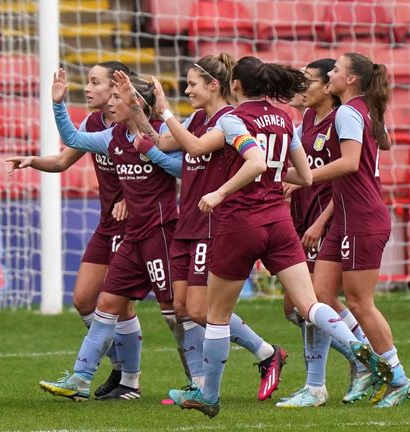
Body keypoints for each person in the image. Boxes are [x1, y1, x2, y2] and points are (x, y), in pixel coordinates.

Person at [164, 56, 388, 418]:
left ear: (234, 86)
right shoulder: (285, 119)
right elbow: (305, 175)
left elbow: (199, 149)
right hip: (280, 222)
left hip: (240, 223)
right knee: (310, 304)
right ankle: (360, 350)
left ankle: (209, 395)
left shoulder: (234, 120)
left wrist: (164, 112)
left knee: (216, 316)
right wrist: (276, 181)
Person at [140, 55, 287, 402]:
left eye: (192, 83)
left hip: (211, 223)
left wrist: (163, 110)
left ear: (213, 86)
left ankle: (264, 354)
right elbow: (164, 143)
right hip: (187, 220)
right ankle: (200, 383)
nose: (187, 89)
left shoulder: (226, 122)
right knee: (182, 309)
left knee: (200, 310)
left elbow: (190, 145)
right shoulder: (195, 119)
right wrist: (137, 113)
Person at [38, 69, 182, 401]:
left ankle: (206, 381)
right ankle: (86, 377)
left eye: (115, 94)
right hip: (126, 233)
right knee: (102, 303)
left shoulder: (163, 132)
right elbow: (71, 144)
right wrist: (58, 105)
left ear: (134, 100)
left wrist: (152, 151)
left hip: (160, 231)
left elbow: (182, 170)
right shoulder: (109, 134)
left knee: (182, 312)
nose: (107, 100)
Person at [286, 52, 410, 408]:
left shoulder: (346, 111)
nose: (332, 76)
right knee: (318, 296)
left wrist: (299, 177)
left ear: (351, 80)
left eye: (337, 71)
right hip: (344, 217)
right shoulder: (361, 110)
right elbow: (382, 143)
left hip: (361, 218)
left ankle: (398, 378)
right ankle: (364, 365)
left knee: (360, 302)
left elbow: (349, 162)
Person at [6, 62, 138, 398]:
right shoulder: (95, 123)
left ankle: (130, 382)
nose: (88, 88)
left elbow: (167, 168)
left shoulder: (139, 125)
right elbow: (65, 160)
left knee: (131, 306)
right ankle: (120, 367)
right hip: (108, 224)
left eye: (95, 82)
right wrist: (33, 160)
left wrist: (133, 200)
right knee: (83, 300)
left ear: (117, 87)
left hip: (138, 224)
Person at [276, 59, 372, 407]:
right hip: (305, 215)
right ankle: (362, 357)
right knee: (297, 305)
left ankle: (323, 382)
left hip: (326, 218)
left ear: (327, 88)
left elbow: (347, 176)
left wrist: (320, 222)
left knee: (313, 301)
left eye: (308, 81)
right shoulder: (306, 121)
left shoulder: (341, 119)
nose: (302, 88)